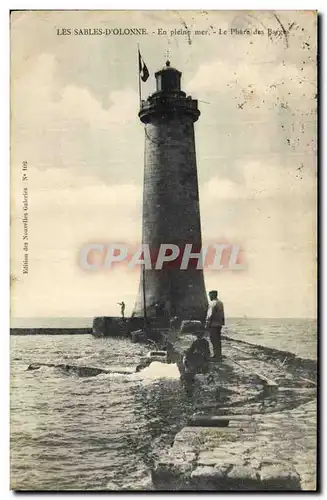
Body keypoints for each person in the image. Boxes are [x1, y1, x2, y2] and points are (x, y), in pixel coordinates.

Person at [205, 290, 225, 361]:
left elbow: (210, 315)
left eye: (210, 295)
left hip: (213, 325)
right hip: (219, 324)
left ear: (213, 295)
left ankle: (216, 356)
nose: (209, 296)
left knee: (213, 340)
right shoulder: (220, 303)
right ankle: (219, 355)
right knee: (218, 340)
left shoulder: (213, 303)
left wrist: (207, 324)